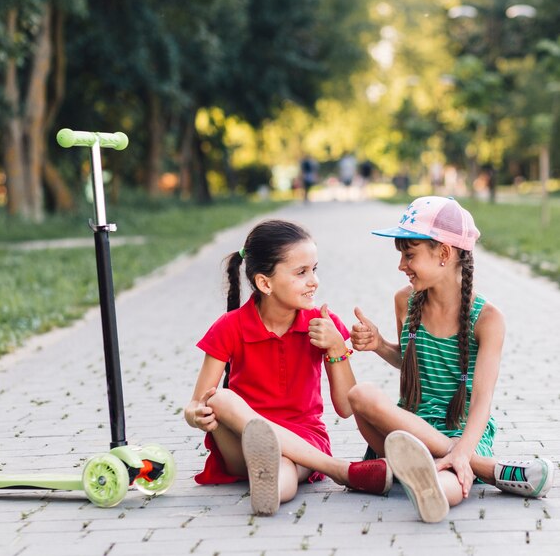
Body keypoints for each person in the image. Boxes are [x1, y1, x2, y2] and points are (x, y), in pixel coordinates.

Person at [347, 196, 555, 523]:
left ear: (444, 253)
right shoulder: (405, 301)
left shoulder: (487, 319)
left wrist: (462, 448)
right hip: (408, 424)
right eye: (401, 254)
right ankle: (484, 469)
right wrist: (378, 345)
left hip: (463, 428)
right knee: (360, 395)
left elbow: (482, 400)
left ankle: (428, 478)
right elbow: (412, 363)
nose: (402, 265)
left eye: (409, 254)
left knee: (448, 484)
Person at [184, 219, 391, 515]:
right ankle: (340, 470)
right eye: (301, 272)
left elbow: (346, 407)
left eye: (314, 270)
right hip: (243, 439)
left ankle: (267, 492)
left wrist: (335, 347)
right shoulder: (230, 327)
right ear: (264, 283)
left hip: (304, 438)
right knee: (219, 398)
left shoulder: (323, 324)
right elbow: (195, 404)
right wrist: (197, 415)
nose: (314, 281)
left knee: (282, 469)